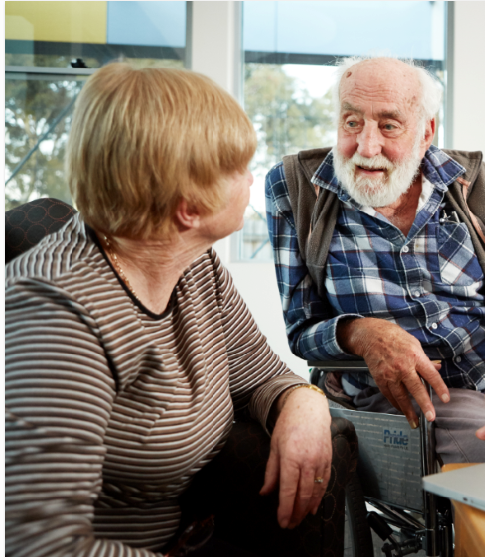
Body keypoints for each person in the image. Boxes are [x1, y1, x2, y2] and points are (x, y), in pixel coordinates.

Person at [4, 63, 333, 556]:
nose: (251, 179)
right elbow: (40, 544)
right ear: (189, 208)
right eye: (238, 167)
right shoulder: (56, 312)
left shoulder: (195, 267)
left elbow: (263, 378)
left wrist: (307, 404)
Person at [266, 56, 485, 465]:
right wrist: (361, 333)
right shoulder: (297, 187)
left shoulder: (473, 184)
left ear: (425, 132)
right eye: (351, 122)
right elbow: (302, 329)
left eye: (388, 125)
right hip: (416, 395)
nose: (366, 147)